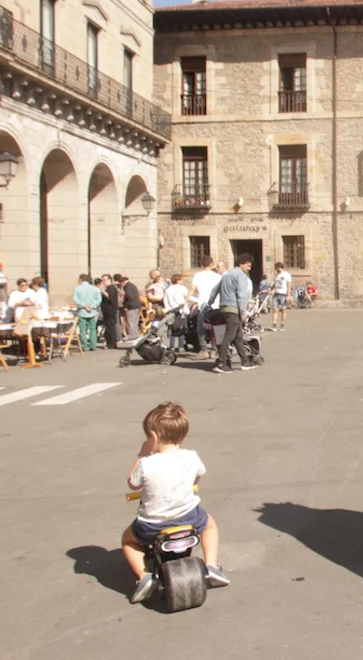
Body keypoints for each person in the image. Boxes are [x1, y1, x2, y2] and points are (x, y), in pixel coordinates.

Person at [121, 402, 230, 604]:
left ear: (153, 437)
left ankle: (144, 577)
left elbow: (133, 484)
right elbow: (196, 478)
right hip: (190, 518)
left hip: (152, 526)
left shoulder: (146, 463)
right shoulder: (191, 457)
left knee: (128, 541)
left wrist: (142, 453)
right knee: (210, 525)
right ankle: (212, 566)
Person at [206, 254, 255, 374]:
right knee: (229, 336)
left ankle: (245, 361)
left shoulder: (226, 275)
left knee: (238, 336)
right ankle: (221, 362)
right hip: (233, 309)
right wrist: (243, 313)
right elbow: (242, 296)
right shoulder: (241, 276)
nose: (249, 268)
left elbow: (214, 291)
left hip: (224, 308)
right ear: (242, 263)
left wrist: (210, 303)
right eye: (248, 265)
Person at [73, 274, 102, 351]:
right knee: (93, 329)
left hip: (82, 311)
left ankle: (84, 345)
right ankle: (93, 345)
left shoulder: (77, 288)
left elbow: (76, 299)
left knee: (83, 329)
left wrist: (84, 306)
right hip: (92, 311)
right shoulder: (95, 289)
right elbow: (99, 299)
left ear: (81, 279)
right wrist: (92, 306)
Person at [164, 275, 190, 352]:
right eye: (181, 280)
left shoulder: (168, 289)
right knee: (181, 329)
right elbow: (188, 296)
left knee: (173, 328)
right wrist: (198, 300)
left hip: (171, 311)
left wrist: (168, 309)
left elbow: (165, 300)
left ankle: (172, 346)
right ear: (178, 280)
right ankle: (180, 346)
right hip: (181, 310)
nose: (182, 281)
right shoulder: (182, 288)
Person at [116, 274, 142, 340]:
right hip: (136, 305)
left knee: (130, 321)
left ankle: (132, 335)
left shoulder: (127, 286)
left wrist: (126, 306)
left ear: (123, 282)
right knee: (135, 321)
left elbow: (129, 296)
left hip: (131, 306)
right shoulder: (132, 285)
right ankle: (135, 334)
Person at [100, 274, 121, 349]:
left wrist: (102, 291)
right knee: (109, 327)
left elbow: (109, 296)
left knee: (110, 328)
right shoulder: (108, 288)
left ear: (109, 280)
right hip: (107, 311)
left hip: (110, 311)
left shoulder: (111, 288)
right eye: (103, 280)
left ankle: (111, 344)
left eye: (105, 280)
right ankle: (112, 343)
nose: (103, 282)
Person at [270, 262, 292, 331]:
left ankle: (282, 324)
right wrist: (270, 289)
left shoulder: (287, 275)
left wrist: (288, 295)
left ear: (279, 267)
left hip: (283, 294)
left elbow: (289, 285)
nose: (275, 269)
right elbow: (275, 284)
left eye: (276, 268)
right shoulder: (277, 275)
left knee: (283, 310)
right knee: (275, 310)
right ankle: (274, 324)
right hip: (276, 294)